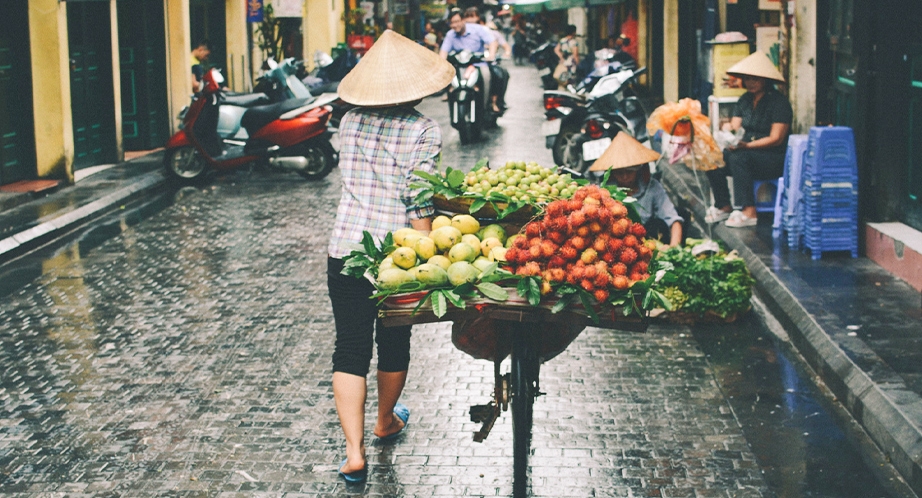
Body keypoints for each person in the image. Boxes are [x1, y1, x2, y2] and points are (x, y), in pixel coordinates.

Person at [328, 30, 454, 483]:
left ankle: (353, 453)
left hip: (345, 249)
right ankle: (384, 421)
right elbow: (418, 198)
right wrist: (428, 255)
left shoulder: (348, 122)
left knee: (350, 346)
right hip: (396, 255)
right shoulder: (422, 129)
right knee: (394, 341)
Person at [704, 51, 792, 227]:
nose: (751, 83)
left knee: (739, 158)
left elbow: (776, 138)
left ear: (765, 80)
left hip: (772, 157)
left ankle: (749, 211)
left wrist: (749, 146)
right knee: (712, 159)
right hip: (746, 151)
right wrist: (728, 131)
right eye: (748, 79)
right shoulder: (744, 100)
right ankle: (723, 205)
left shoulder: (779, 102)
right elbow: (735, 125)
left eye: (755, 79)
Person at [589, 133, 684, 246]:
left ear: (638, 170)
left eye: (629, 172)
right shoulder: (605, 191)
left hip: (646, 239)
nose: (624, 177)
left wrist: (674, 249)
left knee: (657, 224)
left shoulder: (652, 187)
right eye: (619, 173)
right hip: (615, 242)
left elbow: (673, 219)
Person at [440, 8, 501, 113]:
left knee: (487, 76)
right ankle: (450, 96)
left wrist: (491, 55)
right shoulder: (450, 34)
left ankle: (486, 104)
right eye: (452, 23)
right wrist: (440, 64)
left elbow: (492, 42)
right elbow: (443, 52)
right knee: (446, 76)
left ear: (463, 20)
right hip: (459, 66)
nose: (455, 25)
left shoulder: (478, 29)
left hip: (478, 64)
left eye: (457, 21)